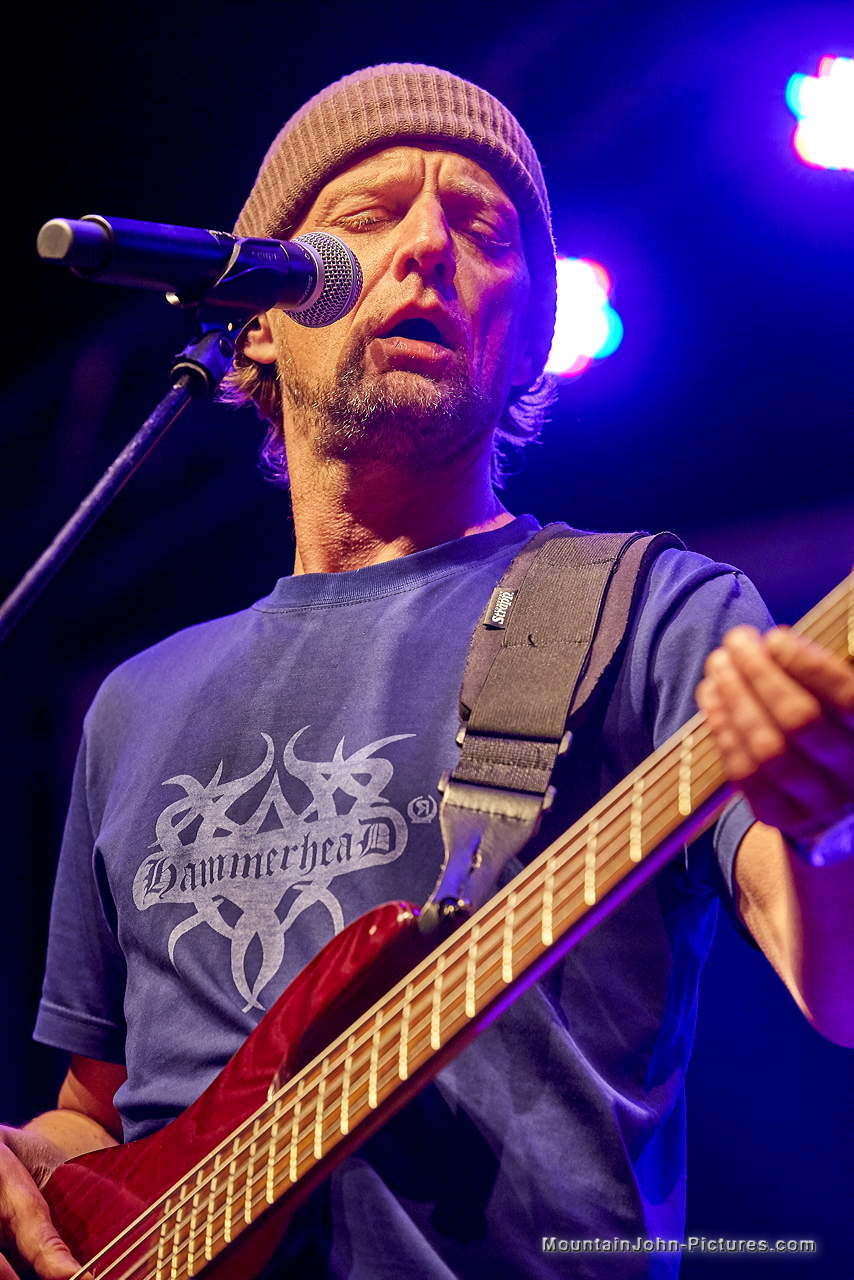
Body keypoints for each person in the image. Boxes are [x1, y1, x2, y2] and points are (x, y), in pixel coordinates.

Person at [1, 63, 852, 1280]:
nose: (424, 249)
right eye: (367, 216)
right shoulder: (133, 703)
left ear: (523, 343)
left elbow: (841, 987)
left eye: (483, 232)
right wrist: (24, 1172)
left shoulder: (650, 610)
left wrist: (825, 823)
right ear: (257, 316)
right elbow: (99, 1110)